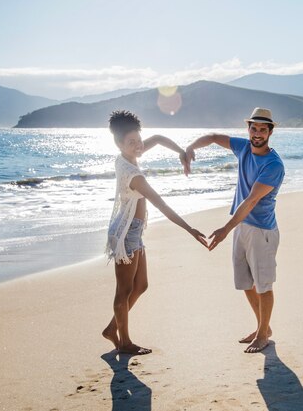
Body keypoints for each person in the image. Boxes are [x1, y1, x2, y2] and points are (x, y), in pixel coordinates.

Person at [103, 110, 208, 355]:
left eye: (139, 140)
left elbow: (159, 138)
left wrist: (182, 153)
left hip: (135, 230)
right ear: (119, 144)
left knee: (141, 285)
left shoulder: (128, 154)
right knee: (124, 290)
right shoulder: (133, 175)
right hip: (126, 233)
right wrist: (190, 229)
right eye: (132, 143)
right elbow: (162, 204)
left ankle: (111, 328)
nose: (139, 146)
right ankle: (124, 342)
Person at [185, 107, 285, 353]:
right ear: (248, 129)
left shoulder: (273, 165)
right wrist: (190, 148)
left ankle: (263, 334)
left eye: (263, 129)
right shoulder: (242, 147)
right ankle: (264, 327)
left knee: (263, 285)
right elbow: (213, 137)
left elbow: (251, 200)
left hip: (261, 231)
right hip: (241, 225)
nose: (257, 133)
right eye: (254, 128)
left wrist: (225, 229)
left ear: (270, 132)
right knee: (246, 282)